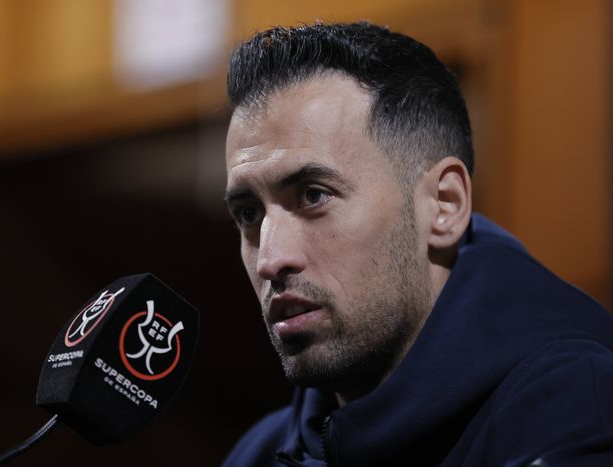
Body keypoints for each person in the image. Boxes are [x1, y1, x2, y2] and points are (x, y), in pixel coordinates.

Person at [221, 22, 613, 466]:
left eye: (314, 195)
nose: (270, 259)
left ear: (444, 204)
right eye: (249, 214)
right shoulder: (258, 453)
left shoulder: (575, 416)